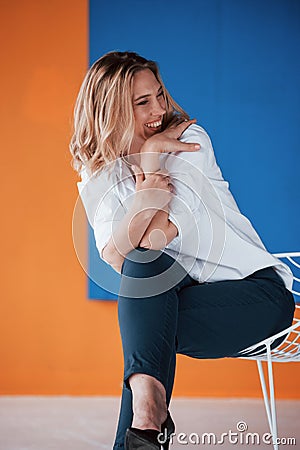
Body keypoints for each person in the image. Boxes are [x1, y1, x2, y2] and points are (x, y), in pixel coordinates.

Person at [70, 51, 295, 450]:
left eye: (158, 95)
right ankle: (149, 417)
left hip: (257, 297)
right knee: (143, 283)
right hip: (179, 302)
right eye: (142, 102)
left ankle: (145, 420)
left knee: (145, 328)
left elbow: (158, 236)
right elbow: (115, 256)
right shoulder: (98, 172)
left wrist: (155, 156)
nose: (159, 109)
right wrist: (149, 187)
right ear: (111, 110)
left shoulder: (190, 141)